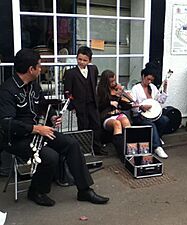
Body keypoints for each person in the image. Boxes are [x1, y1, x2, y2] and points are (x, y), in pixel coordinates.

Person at [0, 48, 109, 207]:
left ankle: (84, 190)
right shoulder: (7, 90)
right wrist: (36, 129)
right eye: (39, 65)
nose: (41, 68)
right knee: (50, 156)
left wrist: (51, 117)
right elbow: (6, 123)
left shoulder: (33, 85)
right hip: (15, 138)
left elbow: (43, 106)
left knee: (71, 144)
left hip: (38, 132)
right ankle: (36, 191)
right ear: (31, 69)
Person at [63, 46, 104, 155]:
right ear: (76, 58)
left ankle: (97, 148)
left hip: (92, 103)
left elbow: (94, 83)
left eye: (85, 60)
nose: (81, 62)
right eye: (79, 59)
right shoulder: (70, 73)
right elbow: (67, 91)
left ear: (90, 60)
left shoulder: (93, 69)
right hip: (80, 105)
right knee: (83, 126)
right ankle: (84, 150)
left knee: (96, 125)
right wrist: (72, 106)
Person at [130, 62, 170, 159]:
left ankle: (157, 138)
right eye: (148, 79)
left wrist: (165, 88)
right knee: (151, 125)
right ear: (143, 76)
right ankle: (157, 147)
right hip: (140, 116)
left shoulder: (152, 87)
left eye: (151, 80)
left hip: (152, 115)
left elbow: (160, 101)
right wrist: (141, 107)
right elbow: (131, 105)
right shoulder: (136, 88)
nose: (149, 82)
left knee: (164, 120)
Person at [97, 70, 132, 161]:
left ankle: (131, 149)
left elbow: (124, 105)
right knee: (117, 124)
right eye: (111, 81)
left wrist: (123, 95)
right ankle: (121, 153)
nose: (113, 83)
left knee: (125, 121)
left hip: (117, 113)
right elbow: (98, 106)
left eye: (114, 81)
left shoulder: (117, 90)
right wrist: (109, 102)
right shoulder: (100, 91)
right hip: (107, 116)